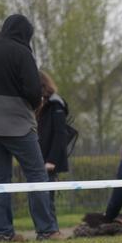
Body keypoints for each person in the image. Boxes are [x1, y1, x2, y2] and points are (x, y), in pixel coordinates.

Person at [0, 14, 61, 242]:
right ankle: (47, 229)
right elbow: (33, 89)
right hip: (17, 125)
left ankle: (3, 232)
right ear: (25, 34)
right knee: (36, 175)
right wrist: (33, 107)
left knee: (0, 179)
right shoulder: (22, 52)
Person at [36, 71, 69, 220]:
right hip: (40, 156)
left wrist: (52, 160)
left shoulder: (55, 104)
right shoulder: (40, 104)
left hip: (48, 159)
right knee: (41, 195)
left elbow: (60, 134)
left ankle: (50, 227)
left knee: (47, 196)